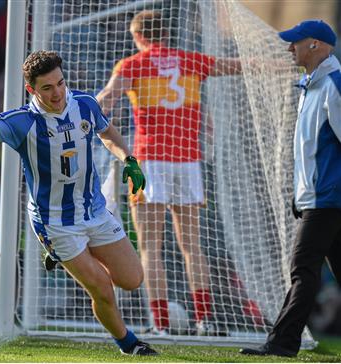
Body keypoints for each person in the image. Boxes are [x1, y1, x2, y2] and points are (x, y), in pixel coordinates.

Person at [0, 48, 157, 356]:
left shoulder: (85, 104)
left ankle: (62, 257)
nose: (57, 93)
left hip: (95, 211)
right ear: (31, 89)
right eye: (47, 88)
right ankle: (129, 344)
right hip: (55, 223)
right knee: (102, 287)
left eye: (60, 83)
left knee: (132, 279)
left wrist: (128, 158)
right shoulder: (22, 122)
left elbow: (107, 131)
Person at [96, 10, 245, 335]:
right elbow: (236, 66)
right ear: (165, 34)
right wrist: (278, 62)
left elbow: (106, 98)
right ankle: (205, 319)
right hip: (187, 162)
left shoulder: (132, 65)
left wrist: (84, 110)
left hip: (150, 162)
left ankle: (161, 325)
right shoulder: (191, 60)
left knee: (151, 247)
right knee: (192, 245)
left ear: (138, 37)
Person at [240, 19, 341, 357]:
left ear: (316, 45)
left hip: (329, 200)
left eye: (296, 41)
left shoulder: (333, 85)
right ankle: (283, 342)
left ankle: (282, 343)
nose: (289, 47)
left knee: (302, 268)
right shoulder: (312, 85)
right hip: (317, 199)